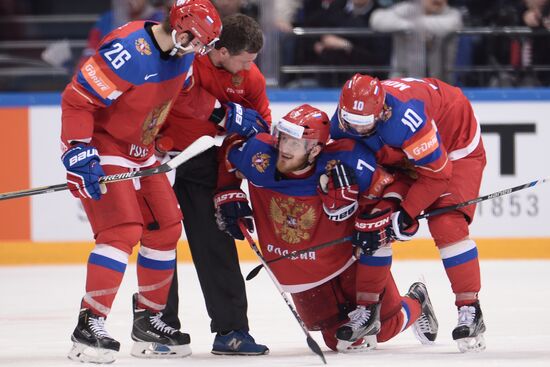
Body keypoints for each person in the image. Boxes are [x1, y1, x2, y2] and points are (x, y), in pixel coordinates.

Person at [60, 0, 222, 363]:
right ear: (180, 29)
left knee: (166, 228)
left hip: (141, 148)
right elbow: (76, 100)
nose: (199, 50)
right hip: (104, 143)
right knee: (121, 231)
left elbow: (184, 95)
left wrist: (223, 114)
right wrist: (77, 150)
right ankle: (90, 324)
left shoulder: (184, 55)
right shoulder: (126, 52)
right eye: (196, 42)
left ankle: (149, 320)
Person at [213, 104, 439, 352]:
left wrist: (381, 212)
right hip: (303, 274)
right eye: (283, 138)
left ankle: (417, 301)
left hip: (347, 261)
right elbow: (230, 149)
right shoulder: (259, 155)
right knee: (337, 342)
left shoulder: (346, 162)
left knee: (382, 328)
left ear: (315, 150)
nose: (283, 149)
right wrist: (228, 191)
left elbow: (397, 183)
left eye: (294, 144)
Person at [332, 74, 487, 352]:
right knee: (372, 220)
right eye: (349, 121)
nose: (354, 128)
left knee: (446, 223)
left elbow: (438, 175)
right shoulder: (348, 119)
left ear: (383, 112)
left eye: (362, 124)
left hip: (453, 145)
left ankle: (470, 308)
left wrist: (406, 213)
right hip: (404, 152)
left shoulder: (406, 119)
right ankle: (367, 310)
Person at [157, 13, 270, 355]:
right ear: (220, 51)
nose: (249, 67)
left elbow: (258, 131)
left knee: (215, 245)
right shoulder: (187, 55)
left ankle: (231, 331)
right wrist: (220, 111)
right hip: (157, 160)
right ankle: (158, 328)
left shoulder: (251, 78)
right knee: (158, 245)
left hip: (204, 162)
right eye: (245, 60)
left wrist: (230, 185)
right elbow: (169, 95)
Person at [369, 0, 463, 82]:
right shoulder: (408, 9)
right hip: (402, 78)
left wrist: (415, 26)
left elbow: (453, 24)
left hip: (439, 79)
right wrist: (408, 26)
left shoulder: (451, 13)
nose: (438, 0)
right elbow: (376, 20)